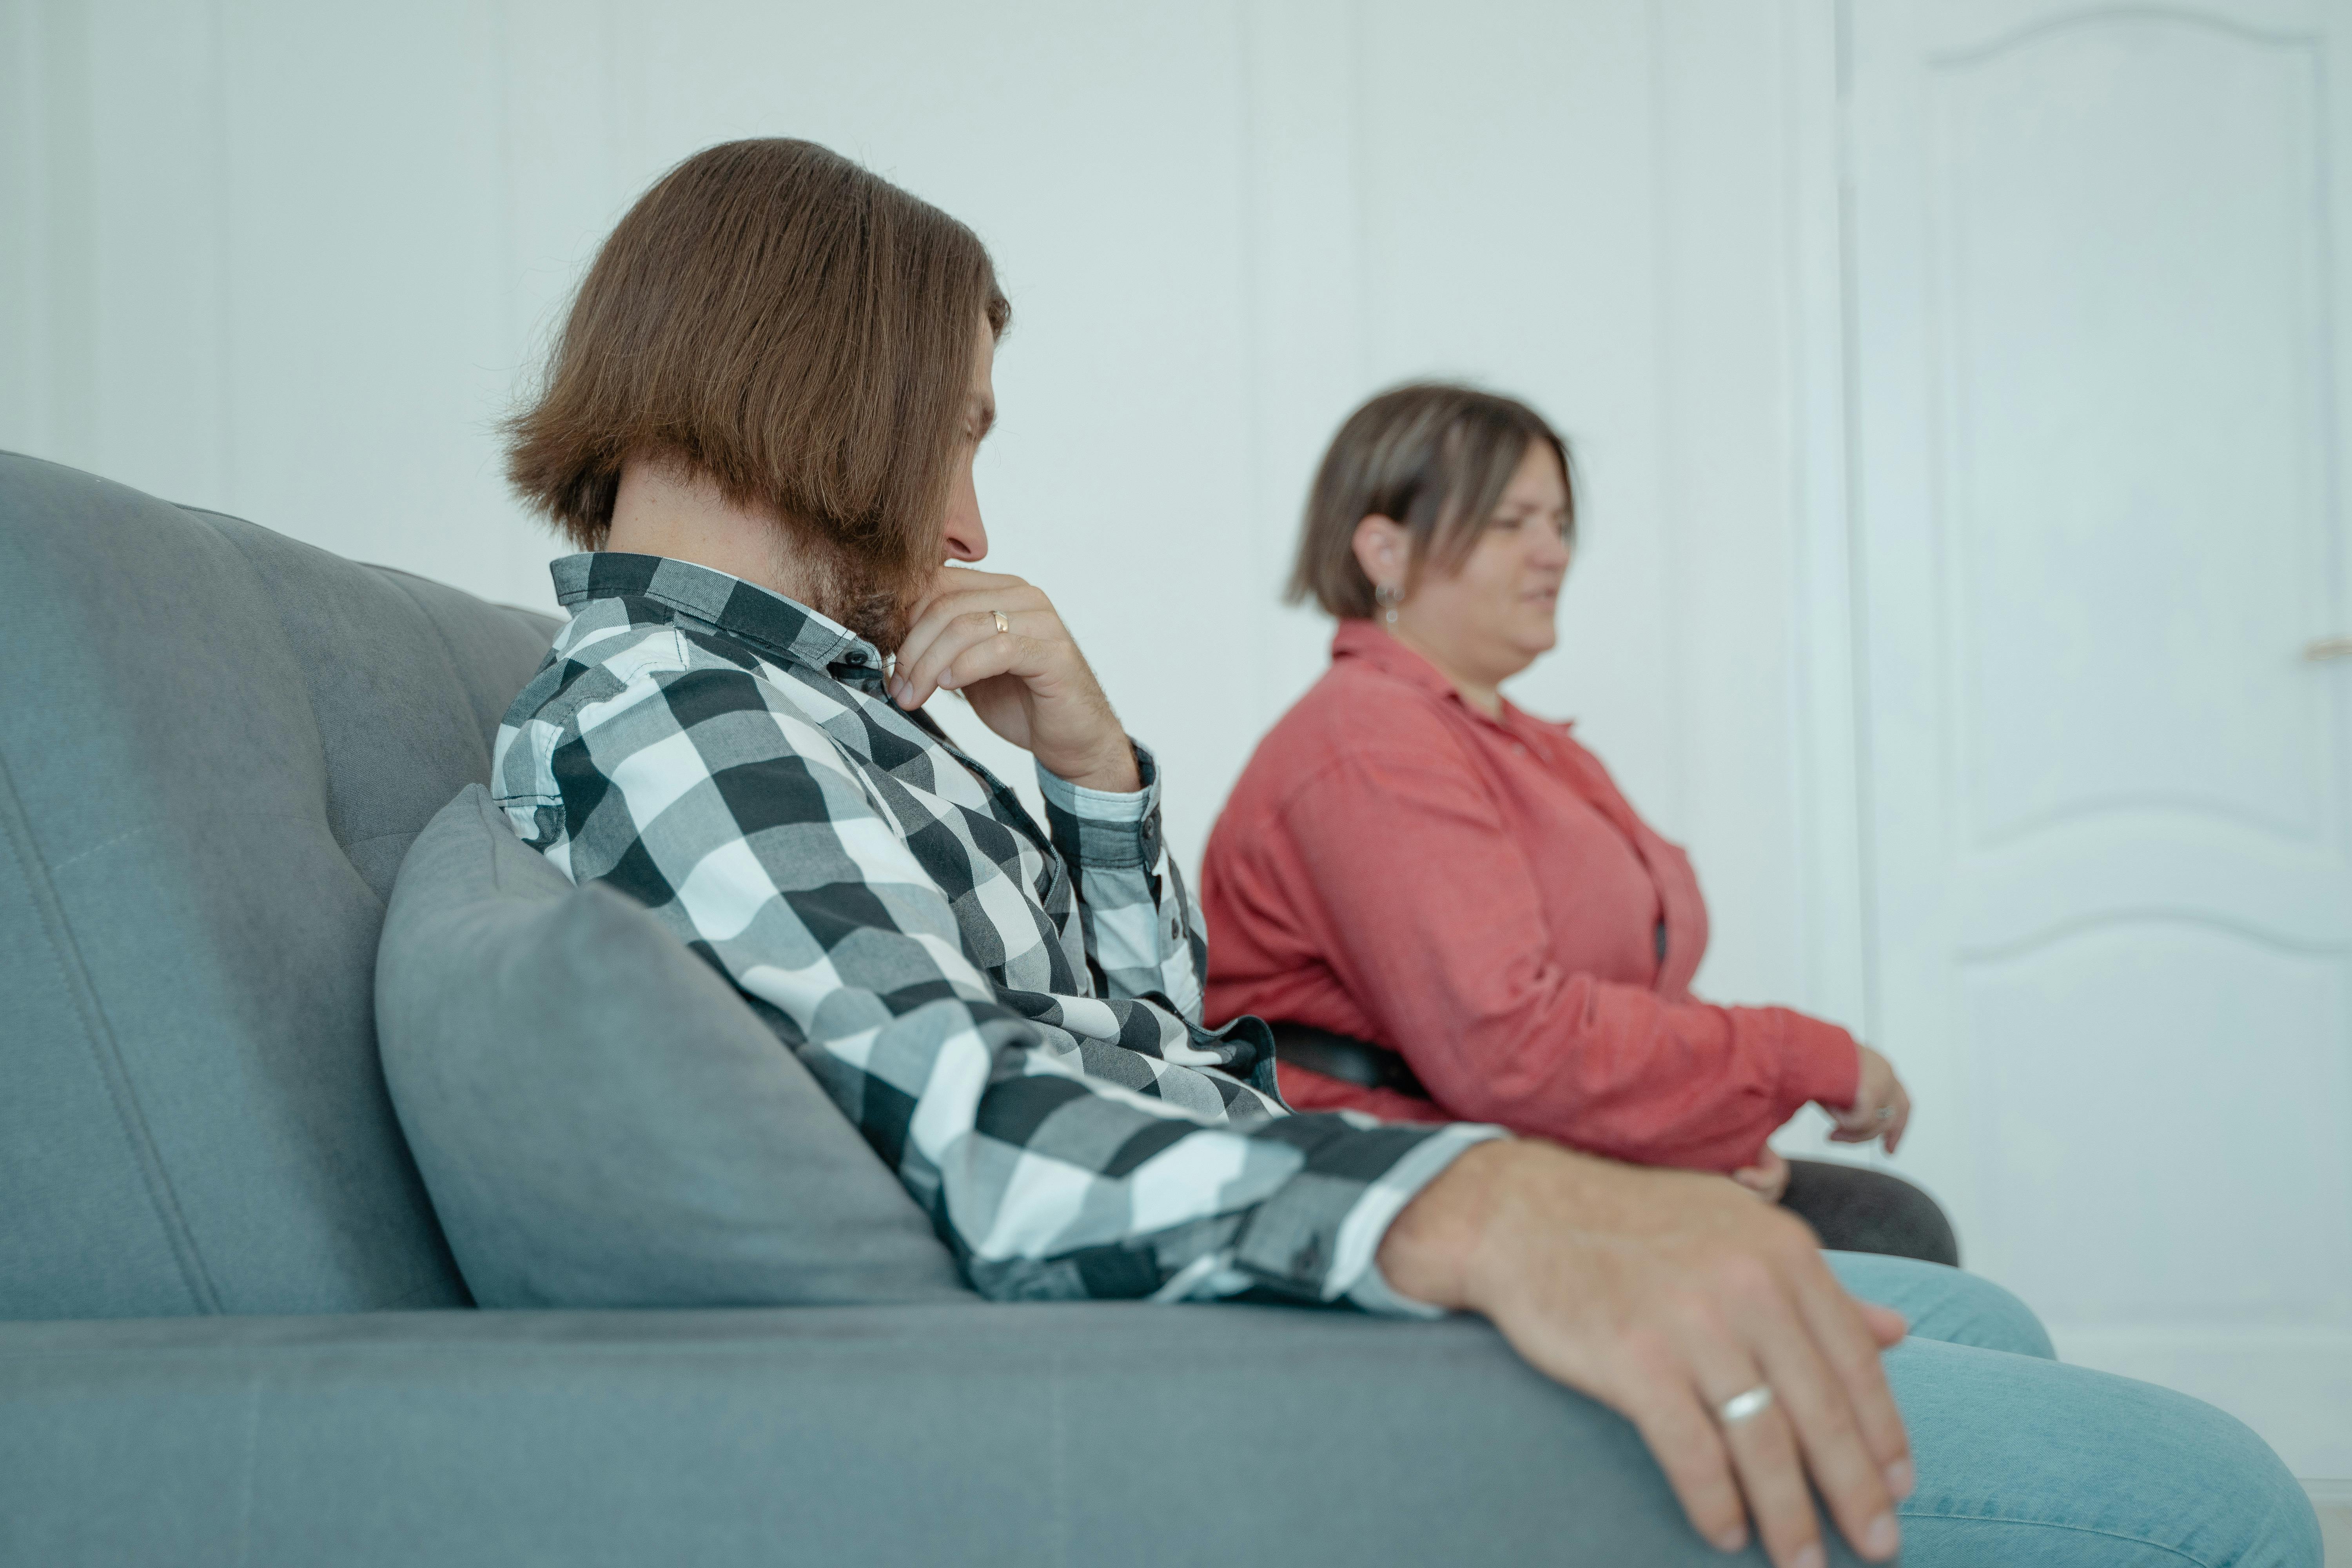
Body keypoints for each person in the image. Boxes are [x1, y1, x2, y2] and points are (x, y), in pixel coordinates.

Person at [490, 137, 2318, 1568]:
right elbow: (983, 1130)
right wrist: (1497, 1198)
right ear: (825, 383)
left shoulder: (819, 704)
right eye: (950, 434)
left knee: (1965, 1306)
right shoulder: (681, 713)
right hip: (1223, 1349)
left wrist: (1097, 775)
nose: (969, 516)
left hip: (1259, 1241)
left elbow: (1142, 1039)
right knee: (2216, 1496)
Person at [1200, 385, 1953, 1264]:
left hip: (1529, 1141)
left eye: (1559, 522)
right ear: (1384, 549)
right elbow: (1508, 1047)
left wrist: (1699, 1126)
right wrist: (1795, 1057)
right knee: (1898, 1237)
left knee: (1896, 1229)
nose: (1553, 551)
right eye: (1511, 522)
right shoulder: (1368, 743)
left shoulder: (1522, 745)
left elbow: (1613, 1001)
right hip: (1415, 1184)